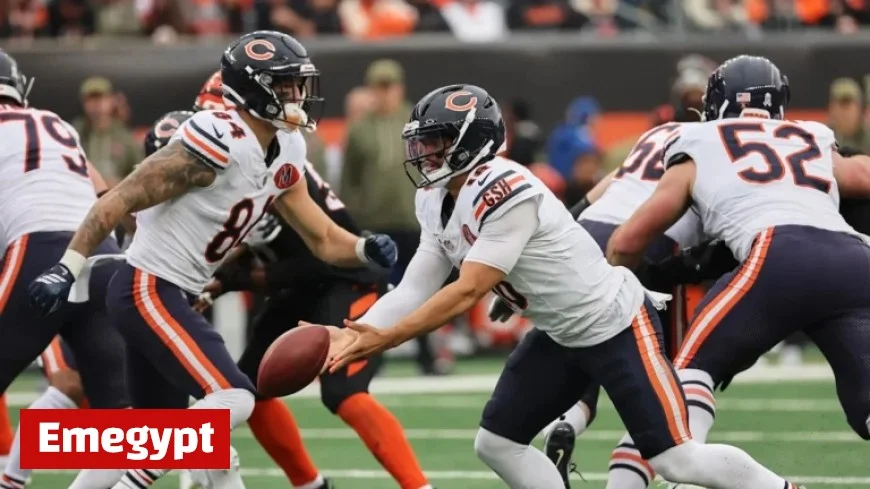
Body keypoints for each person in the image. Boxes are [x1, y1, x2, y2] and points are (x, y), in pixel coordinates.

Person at [315, 83, 800, 489]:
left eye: (436, 141)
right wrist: (358, 332)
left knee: (677, 459)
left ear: (471, 141)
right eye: (421, 142)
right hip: (561, 331)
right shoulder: (435, 196)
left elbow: (467, 290)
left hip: (615, 327)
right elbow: (415, 285)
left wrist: (386, 337)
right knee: (497, 443)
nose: (423, 153)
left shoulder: (503, 188)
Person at [28, 30, 397, 489]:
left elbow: (321, 236)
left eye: (297, 84)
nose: (297, 95)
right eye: (284, 86)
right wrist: (68, 266)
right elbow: (117, 200)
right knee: (234, 397)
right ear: (252, 89)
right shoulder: (217, 139)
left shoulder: (287, 148)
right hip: (148, 287)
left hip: (170, 292)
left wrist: (363, 248)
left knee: (142, 438)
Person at [606, 55, 870, 489]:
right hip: (854, 261)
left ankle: (685, 478)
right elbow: (859, 174)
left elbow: (629, 239)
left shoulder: (699, 139)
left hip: (778, 255)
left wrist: (612, 283)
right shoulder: (810, 134)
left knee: (686, 376)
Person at [193, 72, 433, 489]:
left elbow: (319, 255)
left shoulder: (279, 165)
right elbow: (252, 246)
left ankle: (419, 487)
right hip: (300, 286)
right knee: (249, 389)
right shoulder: (232, 164)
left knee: (343, 391)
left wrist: (237, 279)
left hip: (347, 282)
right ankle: (310, 484)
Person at [489, 120, 707, 487]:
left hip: (588, 232)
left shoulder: (657, 135)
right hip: (642, 242)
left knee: (587, 348)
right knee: (675, 376)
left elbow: (600, 191)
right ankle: (676, 470)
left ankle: (568, 420)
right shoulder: (715, 145)